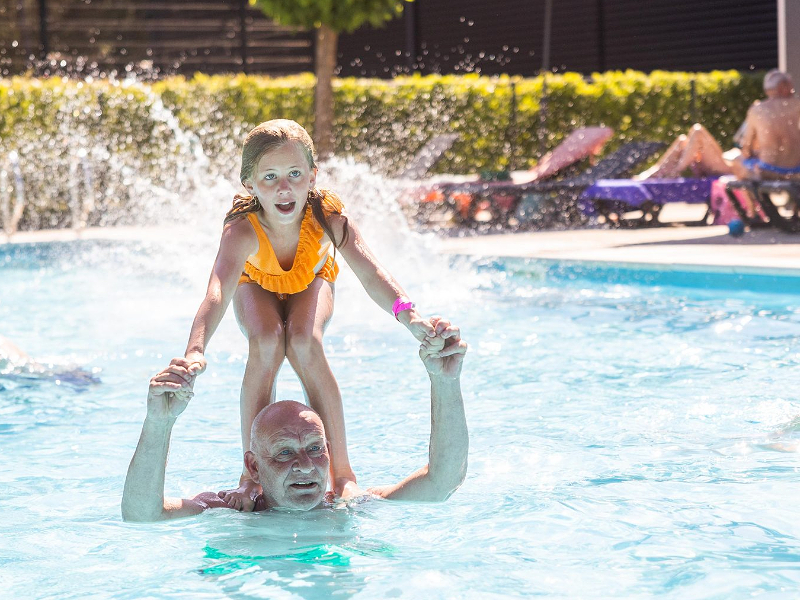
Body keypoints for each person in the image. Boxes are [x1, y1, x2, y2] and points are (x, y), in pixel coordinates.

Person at [182, 119, 436, 511]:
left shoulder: (327, 217)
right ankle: (251, 477)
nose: (284, 188)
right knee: (266, 340)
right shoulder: (242, 230)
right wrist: (196, 349)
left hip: (312, 279)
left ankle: (344, 474)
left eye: (295, 174)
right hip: (256, 284)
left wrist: (410, 314)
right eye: (270, 177)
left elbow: (371, 272)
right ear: (249, 184)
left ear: (312, 176)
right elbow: (217, 290)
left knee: (304, 341)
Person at [121, 317, 468, 521]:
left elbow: (443, 481)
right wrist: (159, 422)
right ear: (253, 467)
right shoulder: (228, 511)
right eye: (284, 452)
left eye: (315, 448)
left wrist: (445, 381)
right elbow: (141, 515)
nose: (305, 465)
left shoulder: (347, 507)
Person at [636, 70, 800, 188]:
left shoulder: (759, 111)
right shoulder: (790, 107)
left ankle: (672, 172)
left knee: (698, 131)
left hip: (751, 167)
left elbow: (746, 149)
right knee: (683, 139)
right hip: (783, 166)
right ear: (785, 87)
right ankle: (658, 172)